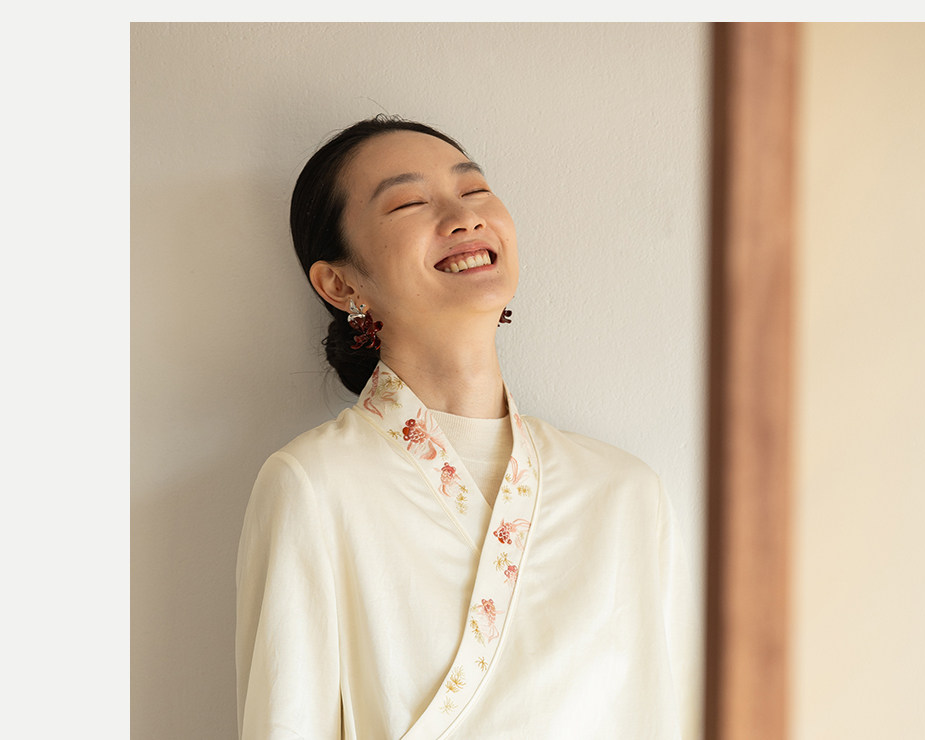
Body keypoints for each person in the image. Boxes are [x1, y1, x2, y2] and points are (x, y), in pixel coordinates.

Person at [235, 116, 688, 739]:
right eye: (409, 202)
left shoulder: (624, 492)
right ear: (339, 283)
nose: (464, 217)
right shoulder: (314, 485)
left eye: (474, 190)